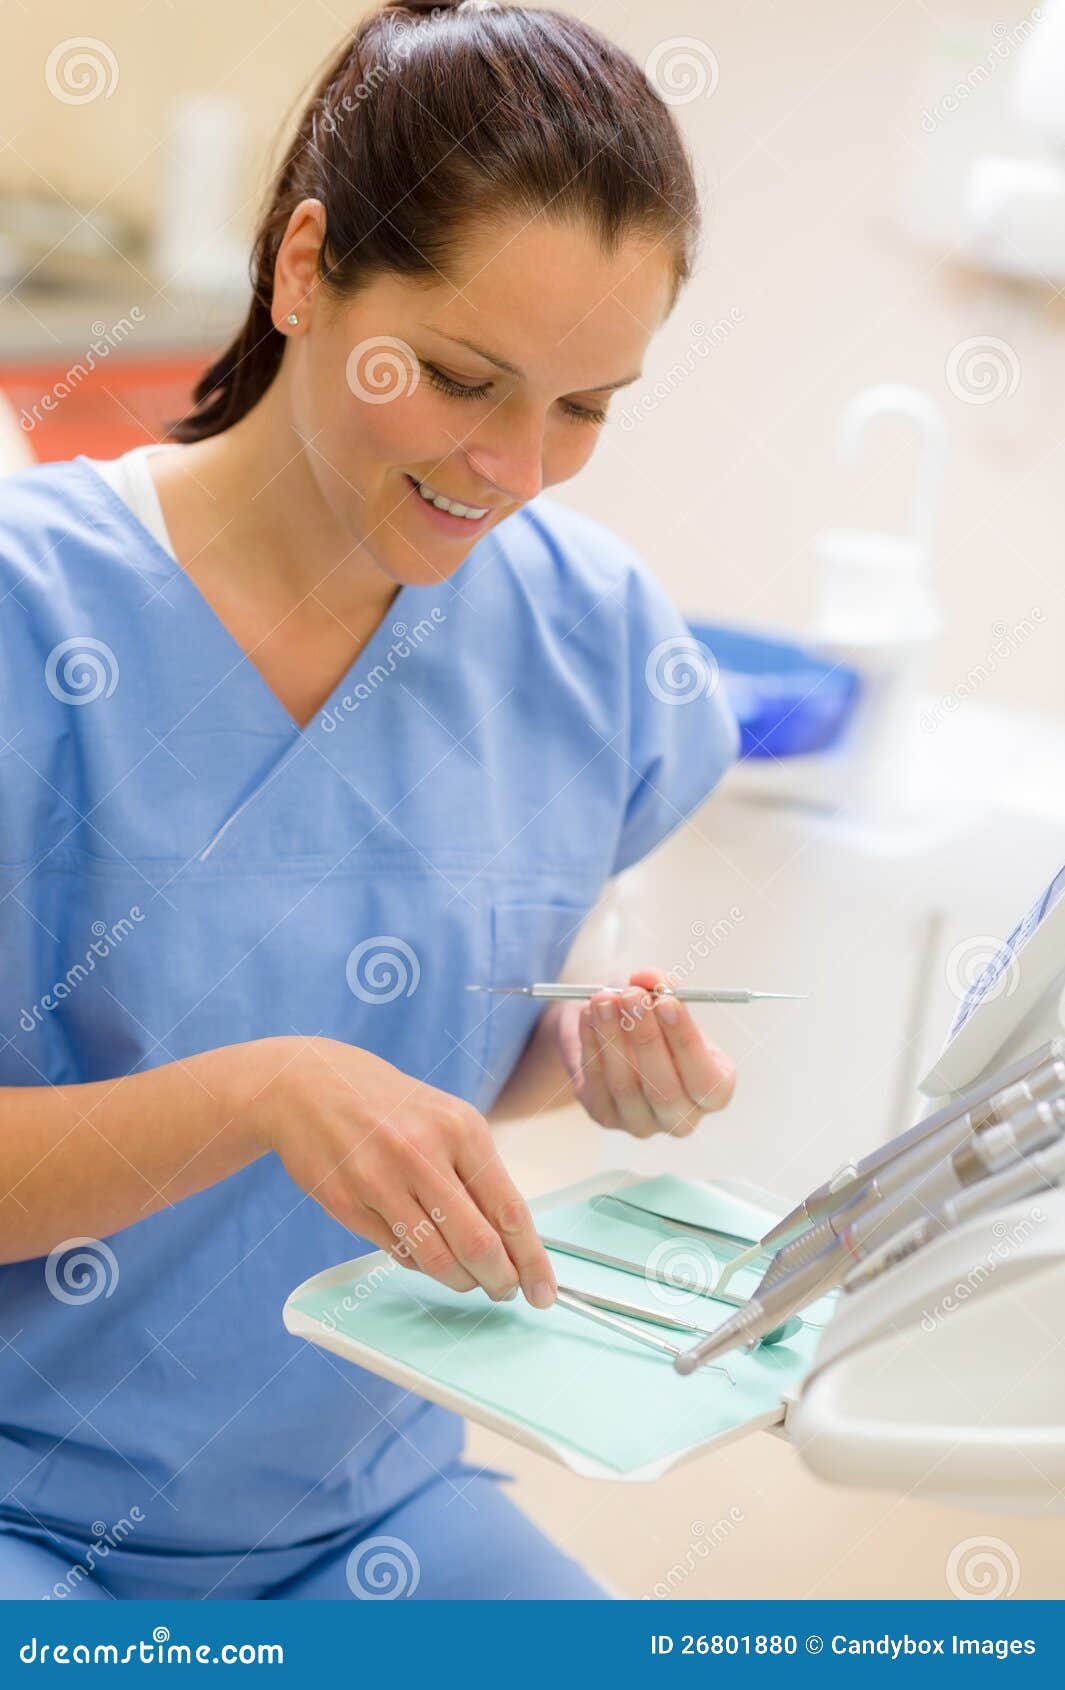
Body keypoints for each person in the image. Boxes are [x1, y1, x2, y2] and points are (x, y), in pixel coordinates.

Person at [0, 0, 738, 1600]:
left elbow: (449, 1051)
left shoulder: (584, 630)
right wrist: (258, 1090)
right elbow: (301, 1068)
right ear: (304, 269)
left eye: (585, 406)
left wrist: (586, 1046)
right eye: (466, 378)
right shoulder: (29, 621)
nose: (514, 467)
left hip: (368, 1510)